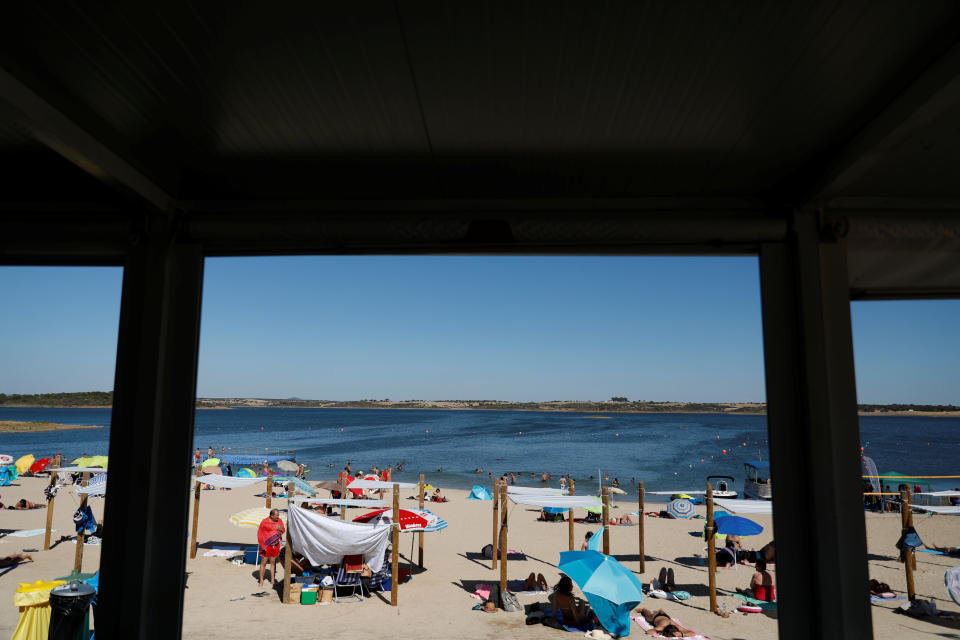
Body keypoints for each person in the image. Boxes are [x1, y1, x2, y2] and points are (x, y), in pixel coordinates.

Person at [257, 509, 285, 587]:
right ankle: (261, 580)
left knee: (273, 563)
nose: (278, 517)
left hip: (275, 545)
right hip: (266, 546)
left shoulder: (279, 521)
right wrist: (262, 545)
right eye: (276, 516)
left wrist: (280, 529)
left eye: (278, 515)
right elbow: (260, 534)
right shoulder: (264, 522)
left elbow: (283, 530)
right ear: (271, 515)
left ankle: (272, 580)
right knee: (264, 563)